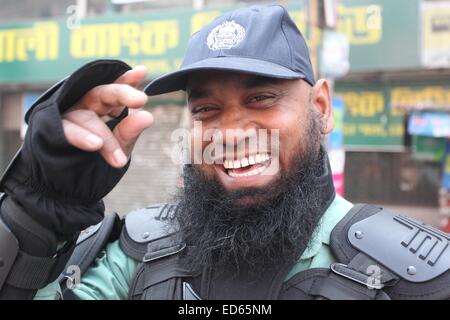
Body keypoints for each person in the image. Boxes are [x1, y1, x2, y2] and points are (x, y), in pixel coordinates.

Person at [0, 5, 449, 300]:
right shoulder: (136, 256)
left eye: (261, 99)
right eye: (207, 109)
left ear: (321, 107)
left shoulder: (417, 275)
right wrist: (40, 210)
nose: (230, 133)